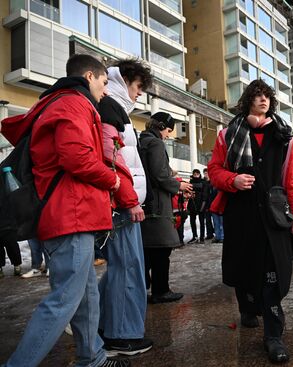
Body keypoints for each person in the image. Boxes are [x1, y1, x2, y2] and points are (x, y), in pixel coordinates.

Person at [0, 54, 129, 366]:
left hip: (67, 214)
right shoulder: (74, 103)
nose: (105, 90)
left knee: (85, 297)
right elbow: (76, 158)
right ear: (88, 77)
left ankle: (93, 358)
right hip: (70, 215)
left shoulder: (60, 102)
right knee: (64, 301)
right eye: (102, 82)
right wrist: (111, 179)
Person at [208, 79, 293, 363]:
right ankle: (248, 307)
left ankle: (273, 336)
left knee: (273, 271)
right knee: (242, 268)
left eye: (267, 96)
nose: (263, 99)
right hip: (241, 213)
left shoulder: (285, 138)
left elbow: (289, 180)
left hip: (273, 216)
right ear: (248, 99)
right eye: (257, 95)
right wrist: (232, 179)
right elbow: (213, 170)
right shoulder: (228, 134)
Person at [96, 59, 153, 356]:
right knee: (127, 268)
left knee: (123, 267)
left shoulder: (115, 110)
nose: (140, 94)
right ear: (123, 80)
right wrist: (130, 201)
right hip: (121, 205)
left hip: (123, 202)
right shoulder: (111, 109)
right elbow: (112, 159)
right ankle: (122, 335)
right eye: (138, 87)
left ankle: (105, 326)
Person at [140, 112, 193, 304]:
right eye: (169, 130)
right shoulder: (155, 143)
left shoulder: (142, 141)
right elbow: (160, 175)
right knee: (162, 248)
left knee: (147, 250)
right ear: (161, 126)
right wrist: (179, 185)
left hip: (145, 201)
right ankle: (161, 290)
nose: (168, 135)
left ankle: (144, 286)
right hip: (157, 205)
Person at [187, 169, 207, 244]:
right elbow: (187, 192)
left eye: (197, 174)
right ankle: (194, 236)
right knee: (192, 221)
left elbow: (205, 195)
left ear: (199, 174)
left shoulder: (203, 182)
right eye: (194, 174)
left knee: (202, 222)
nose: (196, 175)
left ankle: (202, 237)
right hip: (192, 204)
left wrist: (203, 205)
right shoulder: (190, 182)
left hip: (201, 204)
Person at [202, 168, 215, 240]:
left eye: (207, 173)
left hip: (212, 203)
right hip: (206, 204)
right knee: (207, 220)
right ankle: (209, 234)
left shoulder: (212, 182)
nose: (206, 174)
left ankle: (217, 233)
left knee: (215, 220)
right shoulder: (203, 182)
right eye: (205, 173)